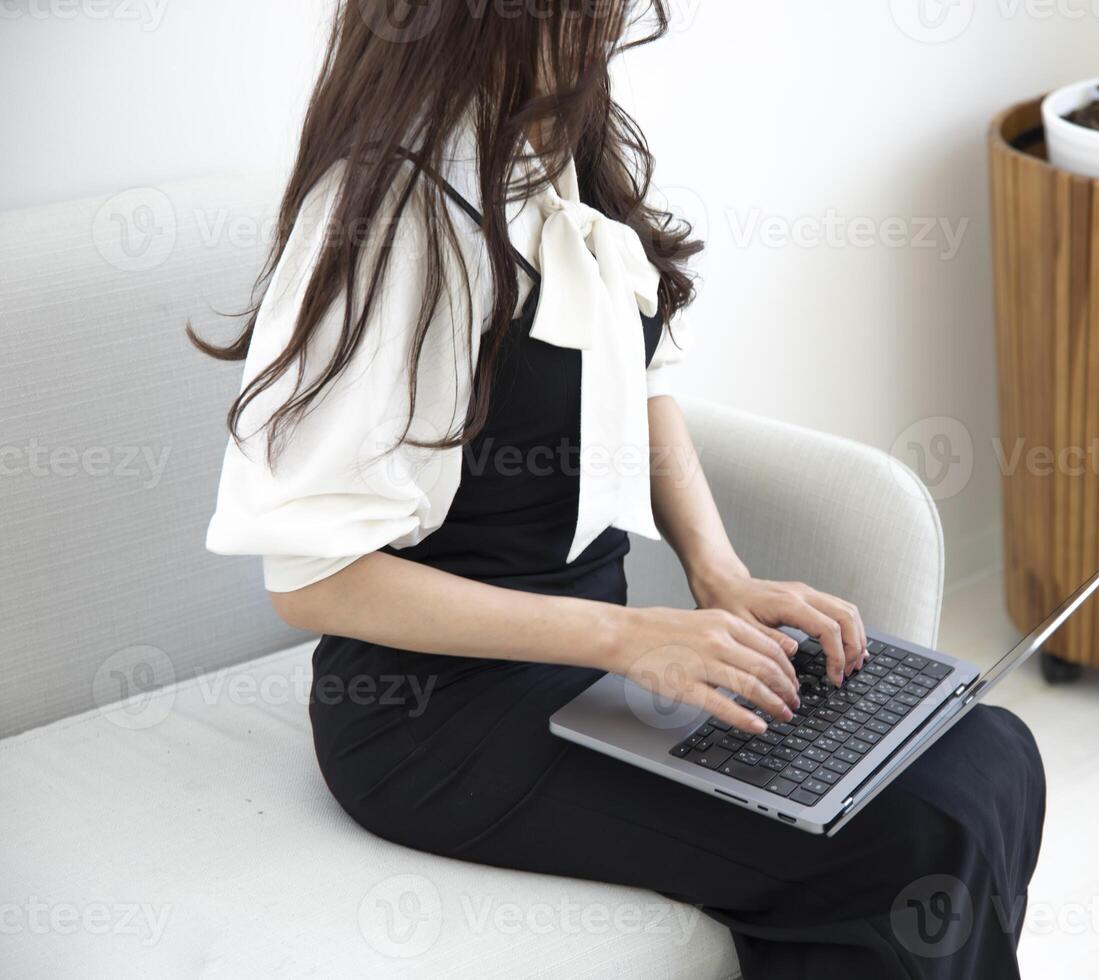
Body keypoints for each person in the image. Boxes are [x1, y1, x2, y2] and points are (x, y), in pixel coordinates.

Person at [197, 3, 1045, 975]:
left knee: (988, 756)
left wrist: (717, 571)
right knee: (911, 839)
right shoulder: (393, 212)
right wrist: (631, 636)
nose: (613, 19)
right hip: (435, 717)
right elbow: (313, 579)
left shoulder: (554, 137)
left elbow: (637, 377)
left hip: (594, 666)